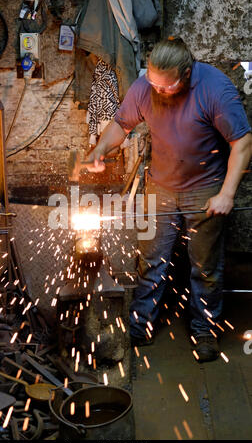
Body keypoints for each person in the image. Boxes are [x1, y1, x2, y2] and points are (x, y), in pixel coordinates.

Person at [86, 38, 252, 362]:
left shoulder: (216, 89)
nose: (159, 92)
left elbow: (243, 142)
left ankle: (205, 329)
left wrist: (226, 194)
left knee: (205, 267)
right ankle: (140, 324)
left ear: (187, 74)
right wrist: (100, 149)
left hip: (205, 189)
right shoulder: (145, 87)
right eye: (153, 84)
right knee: (150, 260)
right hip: (159, 186)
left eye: (167, 86)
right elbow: (122, 124)